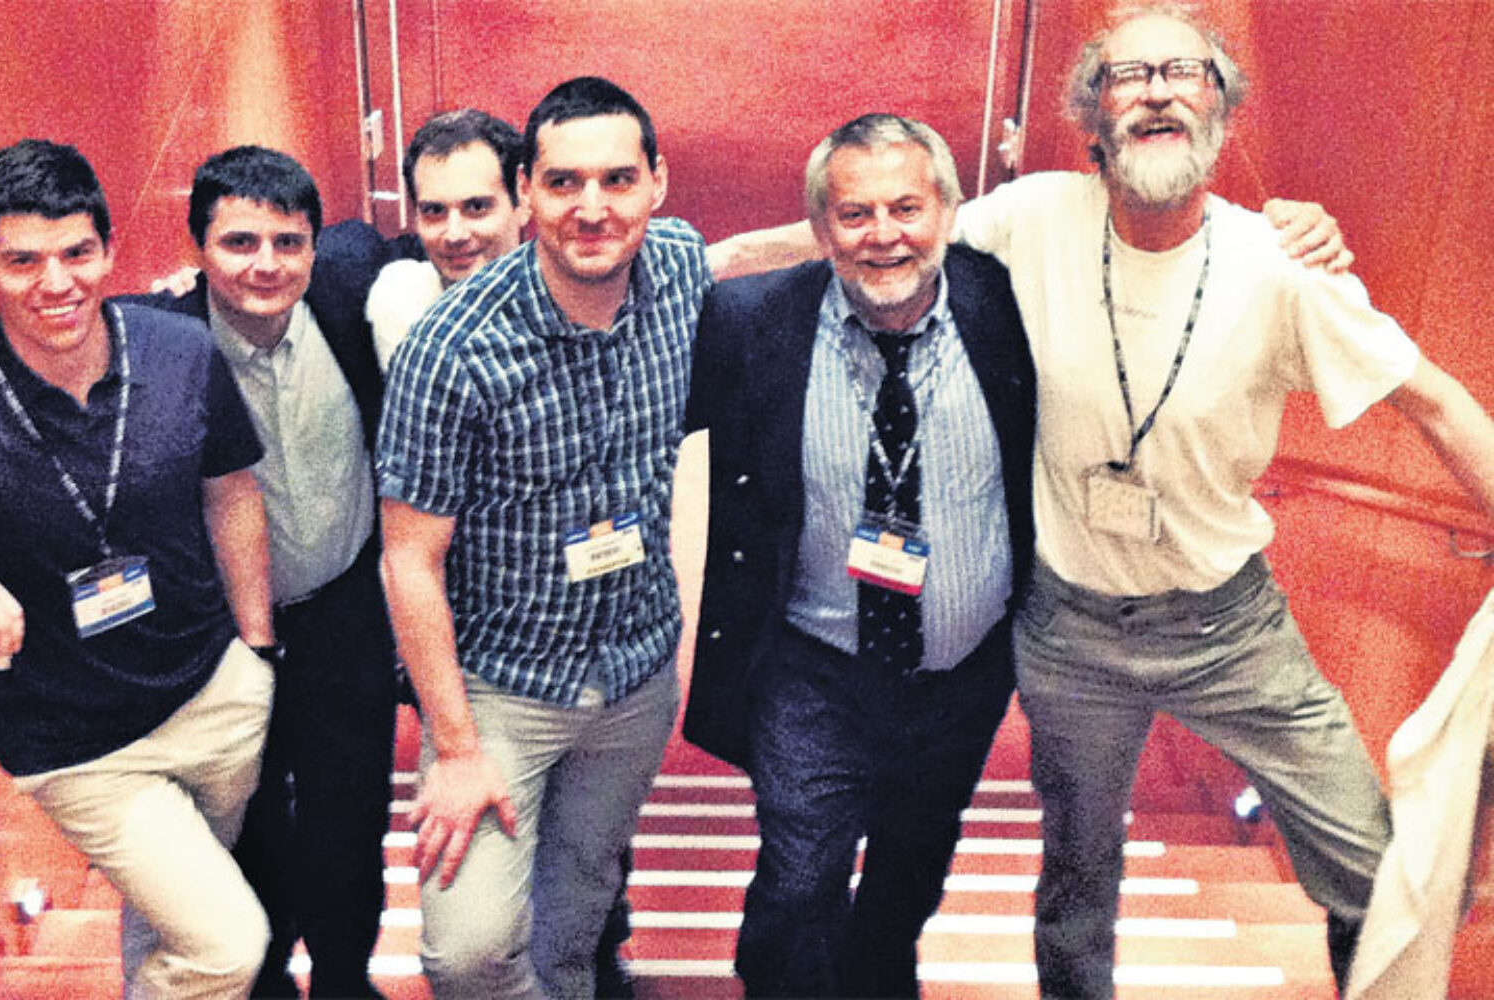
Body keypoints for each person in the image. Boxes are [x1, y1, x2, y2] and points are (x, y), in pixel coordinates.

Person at [948, 6, 1494, 997]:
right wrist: (708, 263)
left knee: (1375, 878)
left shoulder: (1282, 268)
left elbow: (1436, 404)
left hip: (1230, 630)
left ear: (1221, 107)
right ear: (1092, 112)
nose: (1158, 90)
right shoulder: (1032, 218)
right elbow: (883, 239)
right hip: (1071, 633)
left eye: (1184, 72)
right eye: (1129, 74)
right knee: (1076, 879)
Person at [0, 138, 278, 998]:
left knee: (172, 918)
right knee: (226, 945)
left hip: (214, 695)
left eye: (76, 252)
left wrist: (255, 650)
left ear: (108, 248)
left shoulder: (179, 351)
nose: (56, 282)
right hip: (74, 743)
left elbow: (231, 488)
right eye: (23, 261)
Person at [682, 113, 1034, 998]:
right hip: (814, 665)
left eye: (906, 208)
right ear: (819, 226)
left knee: (914, 863)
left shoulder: (1008, 305)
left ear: (949, 211)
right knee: (802, 874)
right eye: (855, 213)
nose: (884, 235)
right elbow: (632, 398)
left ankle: (880, 972)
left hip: (962, 674)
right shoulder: (753, 323)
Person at [376, 76, 713, 1000]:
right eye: (564, 182)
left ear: (657, 183)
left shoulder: (678, 266)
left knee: (574, 924)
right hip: (502, 688)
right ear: (526, 191)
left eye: (618, 180)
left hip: (636, 674)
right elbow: (409, 559)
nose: (592, 208)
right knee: (470, 952)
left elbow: (745, 254)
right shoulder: (451, 350)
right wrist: (456, 749)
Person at [125, 145, 397, 998]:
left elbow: (458, 245)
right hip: (222, 634)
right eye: (239, 242)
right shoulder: (156, 340)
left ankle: (346, 978)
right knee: (245, 824)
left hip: (345, 611)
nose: (266, 264)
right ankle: (266, 979)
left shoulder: (353, 283)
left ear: (315, 245)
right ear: (197, 247)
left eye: (288, 241)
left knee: (352, 812)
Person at [366, 108, 530, 367]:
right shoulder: (402, 297)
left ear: (523, 203)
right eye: (434, 211)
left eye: (476, 207)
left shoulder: (570, 301)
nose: (454, 234)